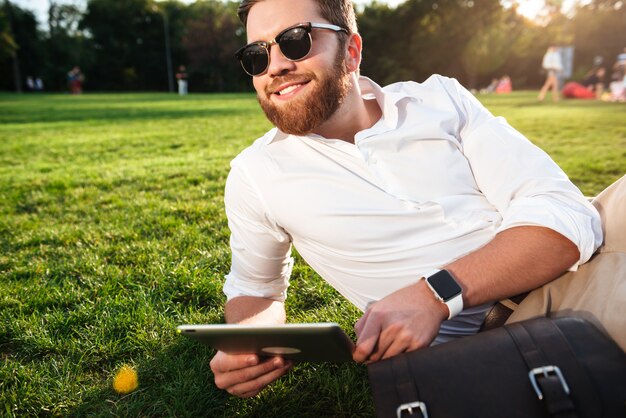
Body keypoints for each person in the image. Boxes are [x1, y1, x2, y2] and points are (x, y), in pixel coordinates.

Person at [209, 0, 602, 399]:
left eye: (294, 41)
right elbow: (255, 290)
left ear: (351, 51)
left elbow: (566, 213)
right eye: (257, 55)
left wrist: (434, 293)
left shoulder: (440, 100)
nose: (274, 66)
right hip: (518, 325)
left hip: (579, 266)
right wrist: (246, 344)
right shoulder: (256, 174)